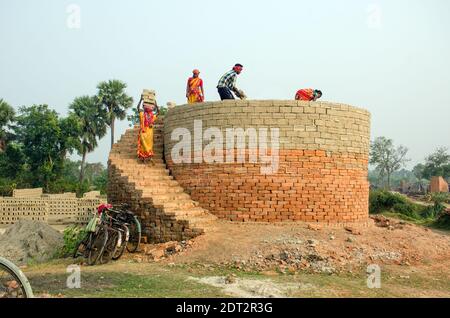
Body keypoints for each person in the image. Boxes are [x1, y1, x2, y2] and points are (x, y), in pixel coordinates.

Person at [137, 96, 159, 164]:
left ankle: (150, 157)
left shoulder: (152, 116)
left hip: (149, 132)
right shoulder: (142, 114)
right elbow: (138, 108)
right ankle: (143, 158)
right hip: (143, 131)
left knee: (149, 145)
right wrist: (140, 99)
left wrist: (156, 103)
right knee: (143, 145)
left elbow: (158, 112)